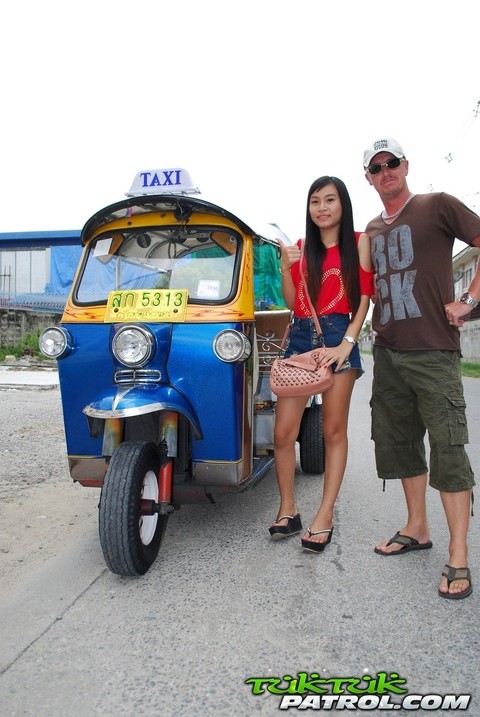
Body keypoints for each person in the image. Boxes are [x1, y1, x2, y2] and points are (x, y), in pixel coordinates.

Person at [363, 137, 480, 599]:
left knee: (448, 445)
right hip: (388, 350)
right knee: (397, 441)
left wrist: (469, 301)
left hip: (433, 350)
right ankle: (416, 527)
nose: (385, 171)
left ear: (405, 165)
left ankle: (458, 554)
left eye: (391, 163)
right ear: (368, 178)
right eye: (376, 168)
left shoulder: (437, 205)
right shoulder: (371, 227)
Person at [269, 176, 373, 551]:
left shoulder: (359, 242)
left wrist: (348, 342)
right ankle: (288, 509)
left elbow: (363, 298)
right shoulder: (300, 248)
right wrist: (284, 269)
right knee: (283, 433)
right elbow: (295, 303)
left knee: (333, 431)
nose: (322, 208)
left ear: (343, 204)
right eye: (315, 201)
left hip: (337, 334)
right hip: (300, 336)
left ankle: (325, 514)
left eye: (330, 200)